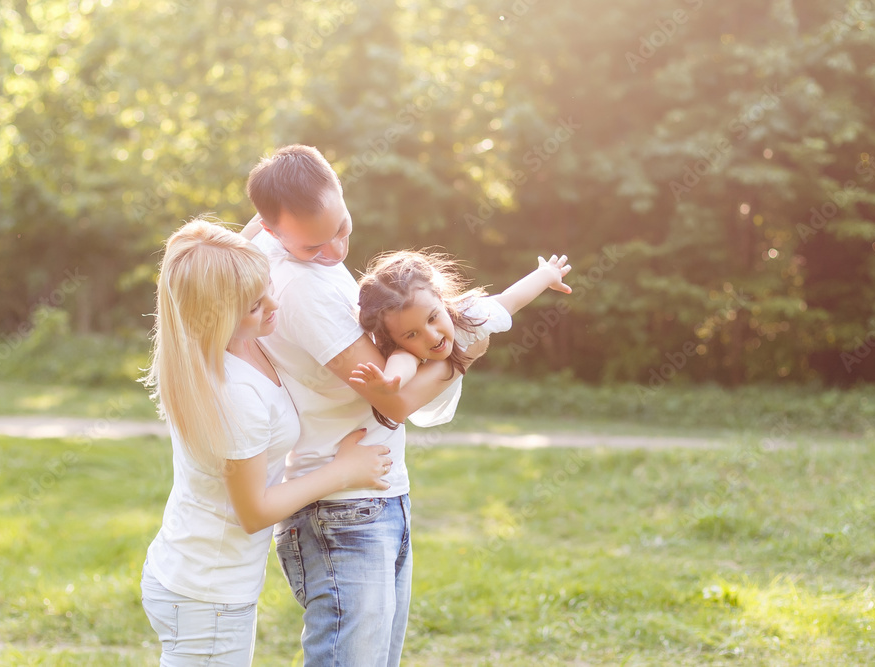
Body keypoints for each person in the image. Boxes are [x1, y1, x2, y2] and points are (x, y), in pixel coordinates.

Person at [242, 144, 489, 666]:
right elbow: (391, 403)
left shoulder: (278, 247)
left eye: (342, 227)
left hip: (372, 497)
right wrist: (459, 353)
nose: (334, 250)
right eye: (314, 245)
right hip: (343, 513)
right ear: (273, 230)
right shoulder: (301, 287)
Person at [139, 219, 392, 666]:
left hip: (198, 576)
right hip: (207, 593)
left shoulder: (231, 340)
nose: (275, 304)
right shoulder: (234, 391)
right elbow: (253, 511)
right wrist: (343, 471)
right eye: (257, 305)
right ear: (217, 315)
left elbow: (258, 228)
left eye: (268, 286)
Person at [350, 250, 572, 429]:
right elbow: (402, 363)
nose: (432, 336)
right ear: (394, 338)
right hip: (422, 400)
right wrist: (389, 381)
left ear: (439, 297)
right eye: (412, 334)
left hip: (450, 370)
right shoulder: (403, 351)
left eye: (433, 318)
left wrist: (548, 274)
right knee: (405, 355)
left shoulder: (470, 316)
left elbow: (512, 299)